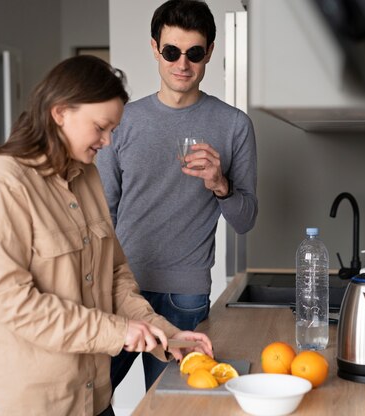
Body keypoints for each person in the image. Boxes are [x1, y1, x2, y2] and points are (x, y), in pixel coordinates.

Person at [0, 55, 213, 416]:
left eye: (113, 130)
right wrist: (117, 332)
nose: (108, 142)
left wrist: (164, 333)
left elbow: (114, 275)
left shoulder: (87, 177)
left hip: (90, 396)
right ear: (60, 113)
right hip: (25, 402)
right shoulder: (3, 186)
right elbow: (14, 305)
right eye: (101, 127)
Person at [97, 0, 257, 391]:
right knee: (94, 399)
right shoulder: (122, 121)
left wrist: (221, 185)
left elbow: (246, 219)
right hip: (122, 288)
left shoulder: (235, 125)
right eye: (171, 51)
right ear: (155, 49)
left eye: (194, 53)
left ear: (209, 55)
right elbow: (103, 213)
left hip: (185, 295)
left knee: (175, 404)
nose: (182, 64)